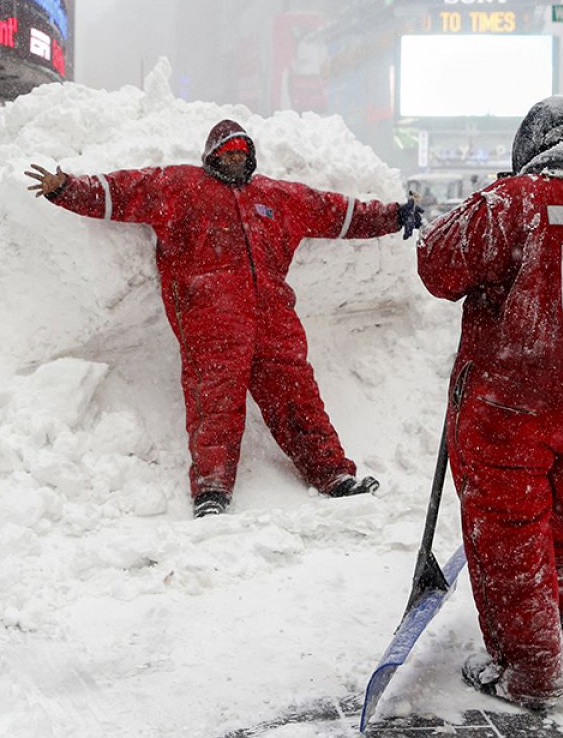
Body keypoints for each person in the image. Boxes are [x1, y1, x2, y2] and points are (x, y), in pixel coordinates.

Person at [25, 119, 422, 518]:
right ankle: (211, 490)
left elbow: (335, 211)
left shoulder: (278, 196)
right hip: (210, 320)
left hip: (273, 319)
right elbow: (124, 191)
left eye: (241, 152)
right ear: (211, 155)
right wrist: (66, 188)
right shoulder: (180, 187)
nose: (235, 158)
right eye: (226, 152)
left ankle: (333, 474)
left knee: (298, 399)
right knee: (214, 404)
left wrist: (393, 216)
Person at [416, 97, 563, 709]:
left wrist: (492, 198)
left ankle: (531, 671)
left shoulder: (513, 203)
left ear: (531, 147)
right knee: (561, 526)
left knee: (509, 533)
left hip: (511, 408)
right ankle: (558, 637)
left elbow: (436, 264)